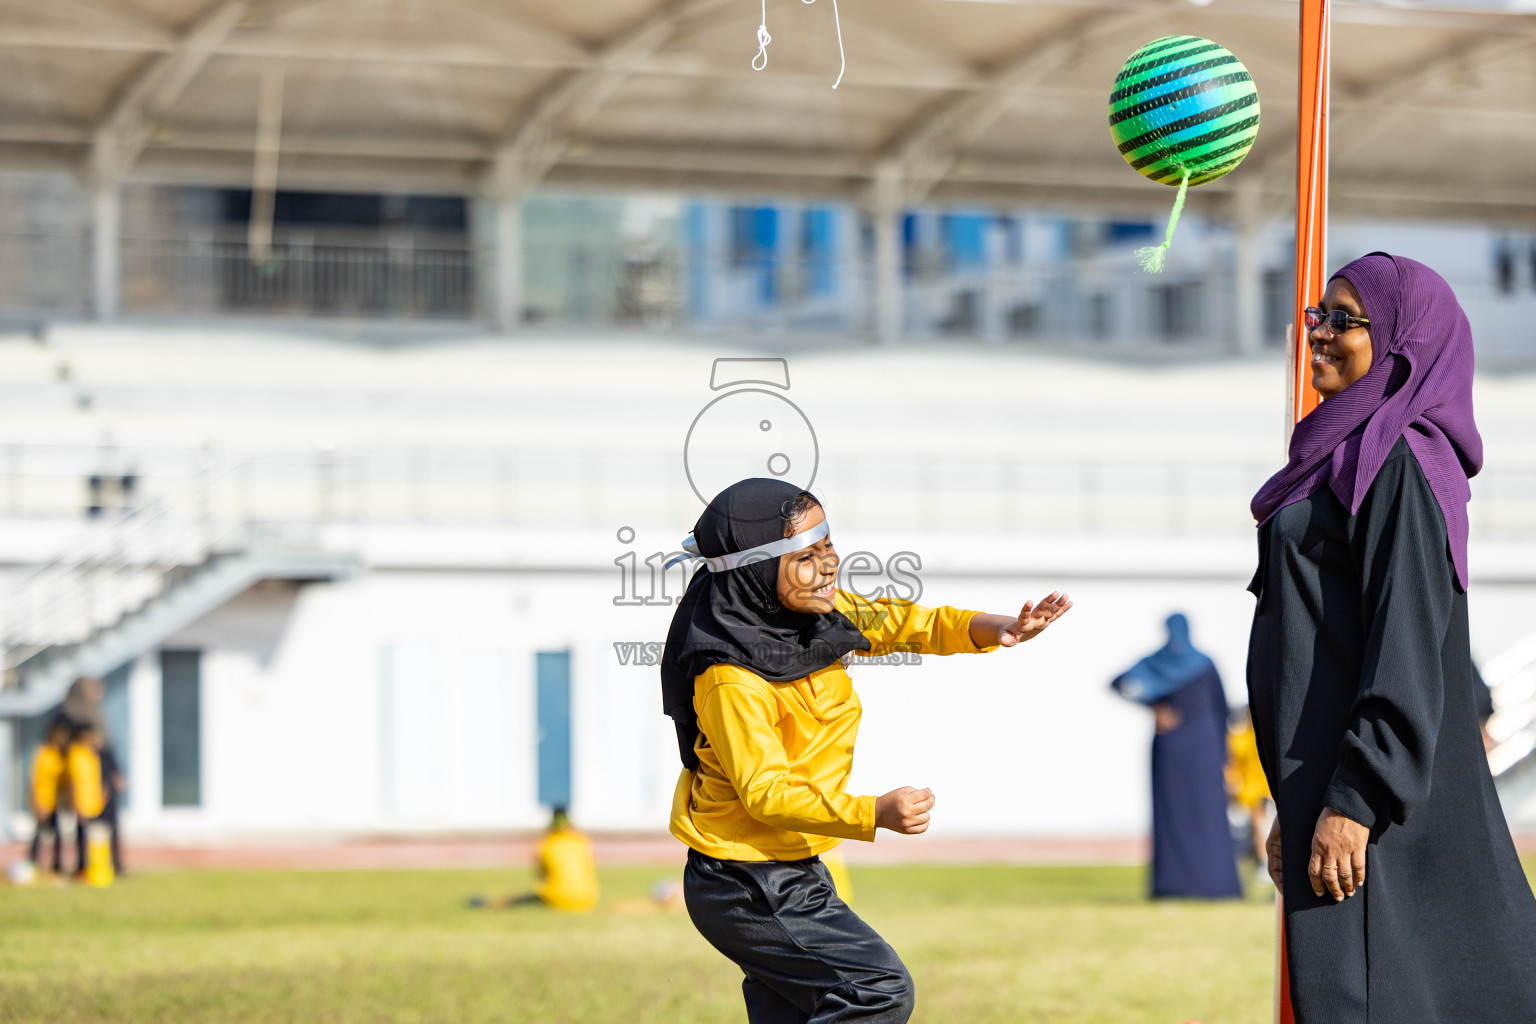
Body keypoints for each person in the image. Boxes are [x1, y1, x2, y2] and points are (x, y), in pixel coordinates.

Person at [662, 478, 1071, 1024]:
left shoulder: (819, 617)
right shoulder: (730, 679)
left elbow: (906, 623)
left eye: (828, 544)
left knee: (795, 1011)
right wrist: (873, 812)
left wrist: (997, 627)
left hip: (790, 864)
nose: (828, 564)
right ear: (755, 571)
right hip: (743, 880)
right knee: (876, 989)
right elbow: (766, 794)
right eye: (806, 556)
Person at [1247, 252, 1536, 1021]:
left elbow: (1403, 642)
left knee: (1383, 996)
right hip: (1336, 792)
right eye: (1318, 315)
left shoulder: (1398, 459)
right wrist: (1296, 800)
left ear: (1404, 342)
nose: (1320, 334)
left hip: (1378, 810)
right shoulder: (1337, 456)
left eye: (1345, 320)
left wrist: (1354, 800)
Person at [1111, 614, 1241, 899]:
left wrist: (1152, 704)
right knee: (1194, 814)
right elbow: (1221, 712)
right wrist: (1226, 755)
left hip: (1179, 748)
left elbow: (1120, 683)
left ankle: (1193, 885)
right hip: (1201, 747)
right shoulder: (1204, 664)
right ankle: (1206, 885)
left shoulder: (1156, 663)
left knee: (1196, 814)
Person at [1226, 705, 1273, 877]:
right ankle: (1264, 861)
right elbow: (1233, 767)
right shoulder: (1240, 737)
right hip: (1253, 790)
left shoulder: (1270, 735)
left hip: (1268, 787)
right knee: (1259, 823)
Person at [27, 718, 72, 876]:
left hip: (56, 801)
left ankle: (57, 865)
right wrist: (37, 804)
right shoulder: (43, 752)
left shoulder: (62, 756)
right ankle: (31, 864)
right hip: (43, 801)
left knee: (58, 834)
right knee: (38, 834)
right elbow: (34, 780)